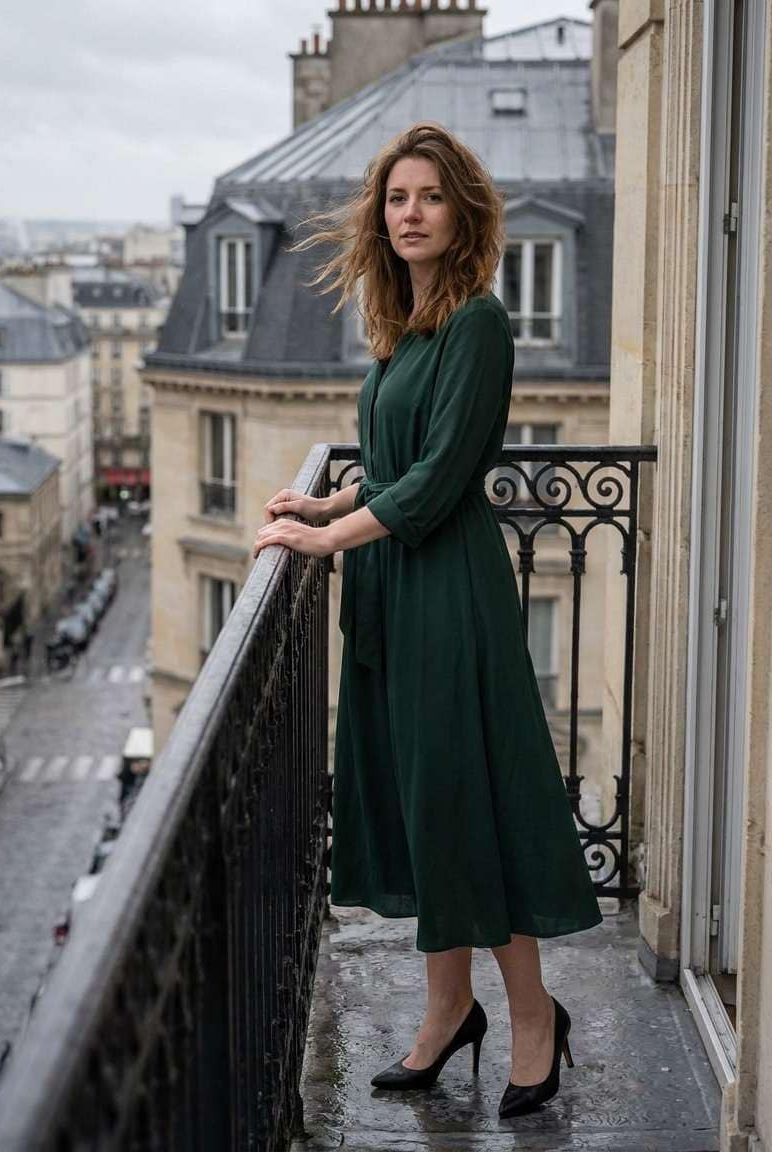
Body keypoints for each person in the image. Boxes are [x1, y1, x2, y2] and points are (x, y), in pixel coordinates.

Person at [252, 122, 602, 1119]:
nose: (409, 213)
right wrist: (325, 505)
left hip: (448, 594)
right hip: (401, 590)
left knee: (465, 807)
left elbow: (445, 478)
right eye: (396, 197)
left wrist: (328, 543)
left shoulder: (478, 324)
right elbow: (402, 465)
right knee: (421, 804)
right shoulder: (404, 331)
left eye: (429, 197)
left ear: (463, 215)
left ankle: (532, 1016)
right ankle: (447, 1010)